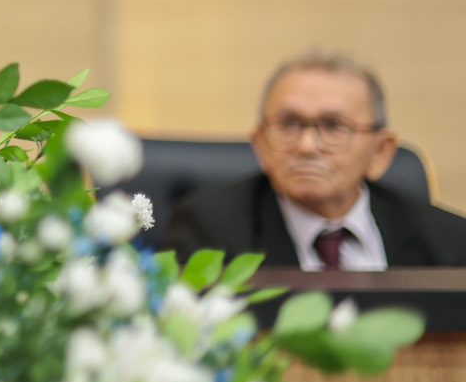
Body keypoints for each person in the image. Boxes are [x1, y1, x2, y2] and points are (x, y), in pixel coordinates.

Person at [164, 53, 466, 268]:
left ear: (380, 152)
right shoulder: (207, 231)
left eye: (334, 126)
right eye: (289, 124)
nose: (306, 146)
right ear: (260, 143)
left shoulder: (449, 241)